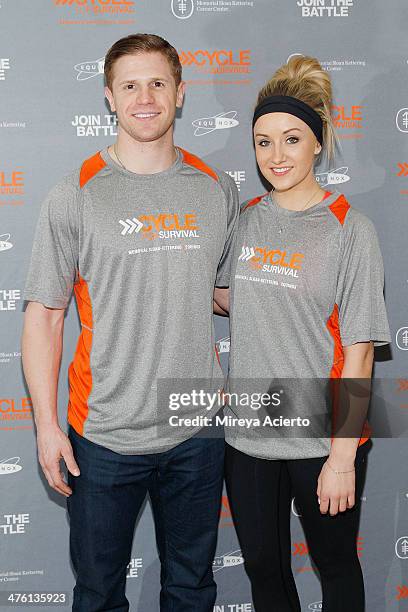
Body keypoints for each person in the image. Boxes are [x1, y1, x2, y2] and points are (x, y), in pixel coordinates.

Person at [22, 33, 239, 612]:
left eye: (158, 83)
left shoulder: (217, 189)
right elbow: (44, 317)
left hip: (197, 426)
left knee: (192, 589)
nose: (146, 97)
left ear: (180, 93)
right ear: (110, 99)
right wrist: (47, 428)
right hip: (103, 432)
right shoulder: (75, 195)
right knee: (98, 595)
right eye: (130, 86)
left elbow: (225, 296)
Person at [213, 55, 391, 611]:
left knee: (335, 566)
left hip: (322, 437)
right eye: (263, 142)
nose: (276, 155)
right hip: (248, 437)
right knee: (266, 572)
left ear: (318, 142)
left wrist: (341, 459)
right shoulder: (243, 218)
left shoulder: (350, 229)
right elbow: (225, 297)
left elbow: (360, 353)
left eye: (291, 139)